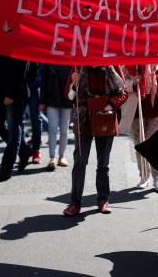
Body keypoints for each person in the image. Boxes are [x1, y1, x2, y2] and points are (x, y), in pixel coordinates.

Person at [63, 65, 128, 216]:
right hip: (84, 120)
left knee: (103, 164)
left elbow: (123, 92)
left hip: (105, 118)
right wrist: (74, 84)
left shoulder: (113, 65)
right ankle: (74, 203)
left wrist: (110, 105)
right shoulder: (77, 66)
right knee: (80, 162)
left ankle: (103, 200)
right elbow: (68, 95)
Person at [119, 63, 158, 192]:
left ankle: (157, 177)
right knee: (140, 145)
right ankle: (144, 176)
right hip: (135, 112)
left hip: (155, 110)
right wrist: (132, 84)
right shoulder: (128, 64)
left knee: (157, 145)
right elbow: (119, 83)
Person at [0, 54, 33, 181]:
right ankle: (23, 150)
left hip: (14, 93)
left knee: (14, 129)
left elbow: (23, 67)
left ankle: (6, 169)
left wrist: (12, 92)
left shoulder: (19, 38)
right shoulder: (0, 37)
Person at [39, 64, 73, 170]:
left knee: (64, 128)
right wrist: (42, 101)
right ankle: (52, 157)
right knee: (52, 127)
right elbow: (44, 80)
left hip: (67, 98)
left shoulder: (71, 58)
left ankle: (62, 156)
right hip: (51, 98)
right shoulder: (50, 57)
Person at [25, 63, 48, 164]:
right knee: (18, 121)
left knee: (36, 118)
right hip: (18, 85)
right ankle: (23, 151)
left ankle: (36, 150)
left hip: (34, 86)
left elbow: (43, 69)